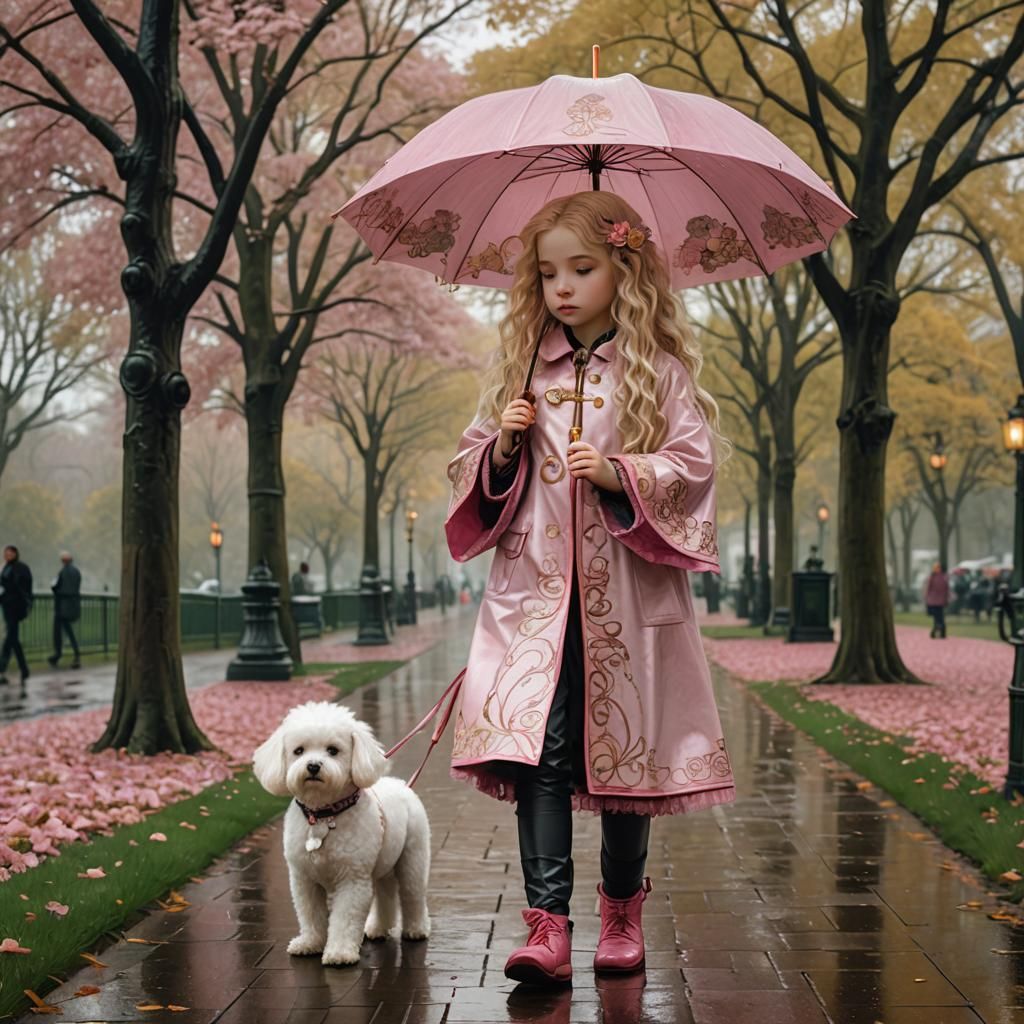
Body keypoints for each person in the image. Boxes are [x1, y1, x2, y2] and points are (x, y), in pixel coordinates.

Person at [443, 192, 735, 986]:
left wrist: (620, 474)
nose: (561, 287)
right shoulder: (521, 371)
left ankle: (619, 911)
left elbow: (695, 465)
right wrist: (501, 448)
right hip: (532, 600)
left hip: (629, 601)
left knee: (622, 757)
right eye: (546, 274)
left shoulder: (657, 374)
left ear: (622, 269)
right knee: (541, 751)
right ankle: (546, 925)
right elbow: (468, 470)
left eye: (581, 268)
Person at [0, 545, 33, 686]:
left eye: (10, 553)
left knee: (11, 638)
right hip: (7, 606)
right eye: (5, 553)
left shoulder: (20, 568)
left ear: (15, 554)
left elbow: (24, 588)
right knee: (11, 638)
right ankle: (21, 669)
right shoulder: (5, 568)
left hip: (15, 607)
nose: (7, 555)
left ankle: (12, 668)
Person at [48, 551, 82, 669]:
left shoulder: (62, 572)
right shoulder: (77, 572)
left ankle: (58, 655)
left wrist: (55, 588)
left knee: (59, 632)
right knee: (69, 632)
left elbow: (56, 587)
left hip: (62, 607)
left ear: (63, 561)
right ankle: (74, 654)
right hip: (73, 606)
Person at [923, 562, 950, 639]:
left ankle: (941, 632)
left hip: (940, 601)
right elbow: (928, 588)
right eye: (935, 568)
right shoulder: (932, 577)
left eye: (938, 568)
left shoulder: (944, 577)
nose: (936, 569)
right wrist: (926, 597)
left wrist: (946, 598)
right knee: (937, 617)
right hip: (933, 601)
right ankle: (937, 632)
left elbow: (946, 589)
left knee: (940, 617)